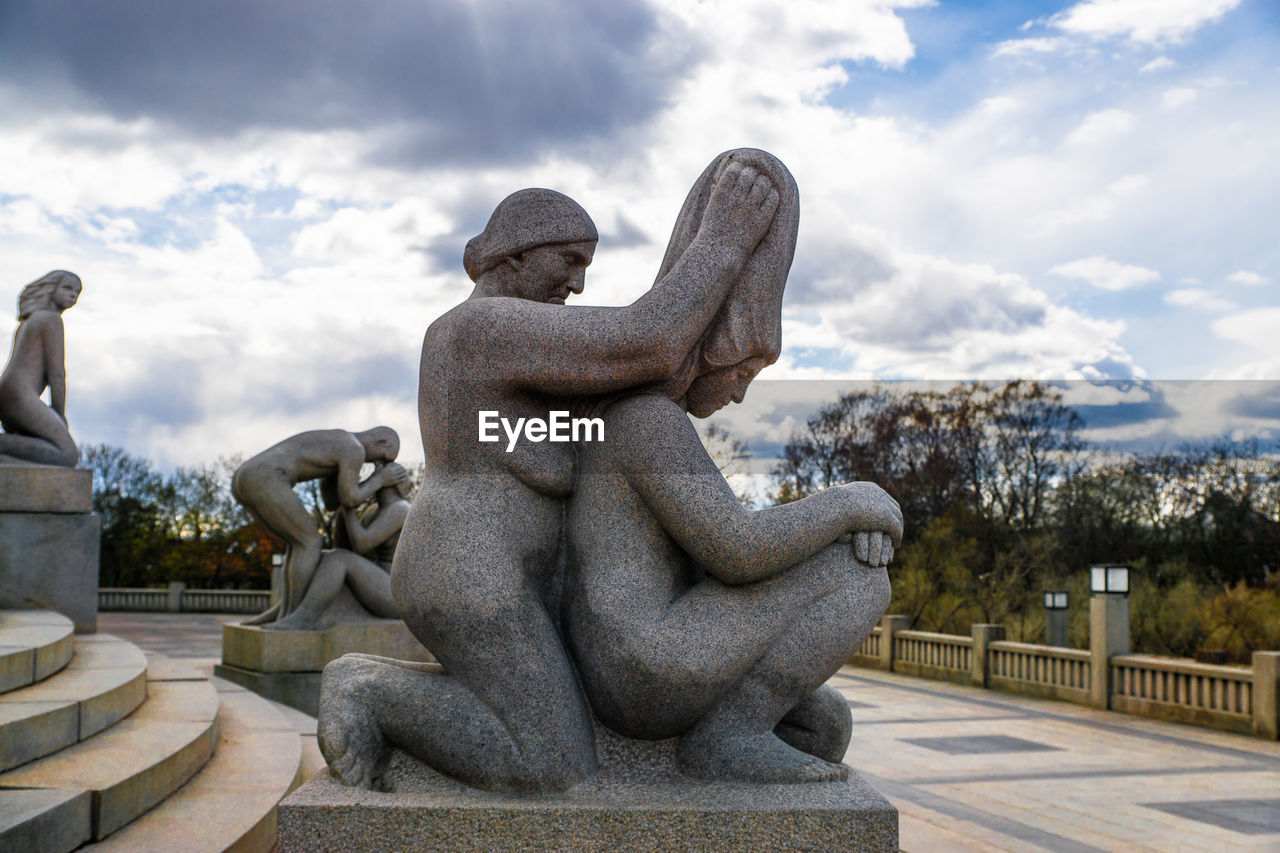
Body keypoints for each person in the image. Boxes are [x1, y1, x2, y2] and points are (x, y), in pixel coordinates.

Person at [318, 157, 783, 793]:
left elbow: (635, 390)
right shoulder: (478, 329)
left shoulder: (532, 380)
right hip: (469, 569)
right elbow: (647, 340)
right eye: (568, 260)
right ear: (514, 253)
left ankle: (387, 692)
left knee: (554, 740)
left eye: (584, 266)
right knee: (549, 763)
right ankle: (370, 692)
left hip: (503, 574)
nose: (578, 283)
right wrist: (723, 242)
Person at [231, 427, 407, 624]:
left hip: (247, 475)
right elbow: (346, 499)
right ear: (381, 441)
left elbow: (334, 502)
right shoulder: (354, 448)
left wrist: (350, 494)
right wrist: (376, 481)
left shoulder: (338, 442)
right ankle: (293, 615)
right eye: (382, 458)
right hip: (266, 476)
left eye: (385, 465)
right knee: (310, 542)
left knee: (301, 544)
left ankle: (287, 613)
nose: (377, 464)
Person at [263, 466, 410, 631]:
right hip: (378, 582)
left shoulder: (401, 509)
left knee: (338, 559)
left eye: (379, 475)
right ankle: (287, 609)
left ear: (394, 480)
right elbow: (343, 548)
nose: (372, 479)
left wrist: (349, 504)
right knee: (324, 557)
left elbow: (361, 544)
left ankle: (304, 618)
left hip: (395, 596)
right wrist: (344, 506)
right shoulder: (373, 511)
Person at [0, 270, 82, 467]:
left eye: (77, 292)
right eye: (67, 288)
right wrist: (59, 413)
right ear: (50, 288)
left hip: (8, 394)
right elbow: (57, 374)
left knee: (38, 447)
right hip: (20, 396)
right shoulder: (51, 320)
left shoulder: (29, 321)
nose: (73, 296)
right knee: (68, 455)